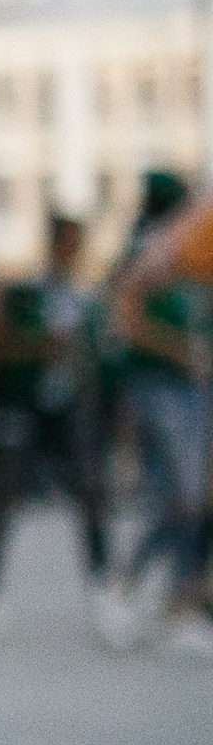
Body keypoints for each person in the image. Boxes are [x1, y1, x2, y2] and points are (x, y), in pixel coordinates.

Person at [0, 213, 108, 635]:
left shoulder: (84, 298)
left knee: (89, 490)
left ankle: (102, 584)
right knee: (6, 494)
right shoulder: (25, 293)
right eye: (69, 241)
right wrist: (41, 345)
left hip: (67, 406)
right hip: (23, 405)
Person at [102, 172, 213, 657]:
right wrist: (180, 351)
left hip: (186, 386)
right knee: (185, 496)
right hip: (165, 385)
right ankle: (136, 587)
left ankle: (176, 599)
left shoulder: (179, 244)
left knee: (185, 498)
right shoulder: (165, 246)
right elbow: (124, 311)